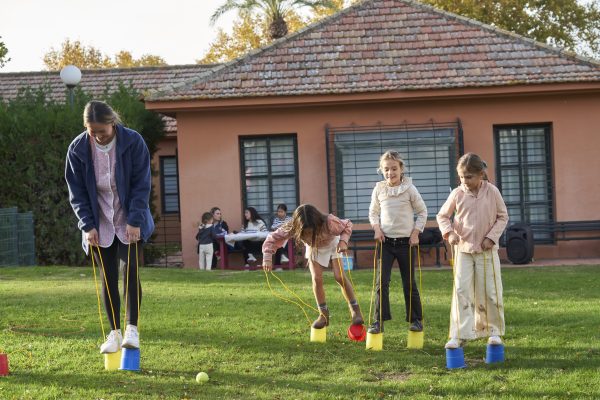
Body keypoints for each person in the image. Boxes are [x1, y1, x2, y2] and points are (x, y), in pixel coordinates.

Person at [65, 100, 154, 354]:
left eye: (102, 131)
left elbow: (141, 184)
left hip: (129, 219)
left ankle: (131, 329)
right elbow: (77, 192)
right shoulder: (77, 148)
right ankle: (114, 333)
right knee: (108, 277)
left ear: (112, 123)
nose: (98, 136)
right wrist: (87, 225)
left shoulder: (133, 142)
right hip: (99, 220)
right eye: (92, 132)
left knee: (130, 271)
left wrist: (135, 220)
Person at [436, 153, 508, 349]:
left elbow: (503, 217)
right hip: (463, 251)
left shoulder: (492, 192)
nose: (465, 181)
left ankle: (494, 332)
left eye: (469, 177)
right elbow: (442, 216)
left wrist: (491, 238)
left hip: (487, 251)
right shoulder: (457, 194)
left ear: (481, 174)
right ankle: (458, 334)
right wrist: (449, 233)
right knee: (461, 290)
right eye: (461, 177)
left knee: (490, 291)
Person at [262, 204, 364, 329]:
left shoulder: (329, 222)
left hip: (332, 244)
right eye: (305, 233)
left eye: (311, 232)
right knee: (316, 278)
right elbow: (272, 237)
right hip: (314, 248)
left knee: (339, 277)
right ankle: (323, 314)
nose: (309, 235)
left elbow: (347, 224)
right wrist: (267, 257)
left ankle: (355, 310)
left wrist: (343, 241)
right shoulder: (293, 226)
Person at [367, 150, 428, 334]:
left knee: (409, 283)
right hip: (385, 243)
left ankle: (416, 320)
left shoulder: (409, 188)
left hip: (406, 244)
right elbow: (373, 212)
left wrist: (416, 233)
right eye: (386, 169)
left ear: (401, 168)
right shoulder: (379, 189)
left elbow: (422, 212)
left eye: (394, 169)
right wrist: (377, 229)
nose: (390, 173)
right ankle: (379, 321)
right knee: (381, 283)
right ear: (381, 170)